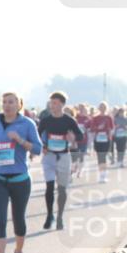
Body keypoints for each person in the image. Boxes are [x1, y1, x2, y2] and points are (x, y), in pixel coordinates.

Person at [0, 92, 42, 253]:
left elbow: (38, 149)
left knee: (18, 219)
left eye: (11, 102)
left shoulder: (27, 124)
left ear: (19, 104)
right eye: (4, 102)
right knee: (0, 220)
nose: (7, 105)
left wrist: (20, 140)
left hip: (20, 179)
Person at [38, 91, 84, 230]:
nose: (52, 106)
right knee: (49, 186)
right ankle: (49, 215)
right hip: (49, 156)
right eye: (51, 103)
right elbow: (37, 135)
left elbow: (80, 136)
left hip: (63, 156)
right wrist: (43, 146)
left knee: (62, 189)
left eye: (55, 103)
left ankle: (59, 217)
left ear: (62, 104)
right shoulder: (46, 120)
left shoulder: (69, 120)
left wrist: (73, 138)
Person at [89, 102, 115, 183]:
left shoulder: (109, 117)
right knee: (100, 157)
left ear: (106, 108)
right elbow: (92, 129)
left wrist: (109, 135)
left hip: (106, 139)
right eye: (101, 107)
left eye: (104, 107)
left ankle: (103, 175)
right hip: (98, 139)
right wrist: (98, 128)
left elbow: (112, 128)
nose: (102, 108)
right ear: (99, 108)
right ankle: (101, 175)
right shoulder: (95, 118)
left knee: (103, 156)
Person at [74, 104, 92, 179]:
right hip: (75, 140)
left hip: (84, 140)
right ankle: (75, 167)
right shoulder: (75, 118)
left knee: (82, 156)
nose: (81, 110)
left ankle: (80, 171)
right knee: (75, 156)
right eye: (80, 109)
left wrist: (90, 144)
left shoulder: (88, 119)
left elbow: (89, 131)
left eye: (83, 109)